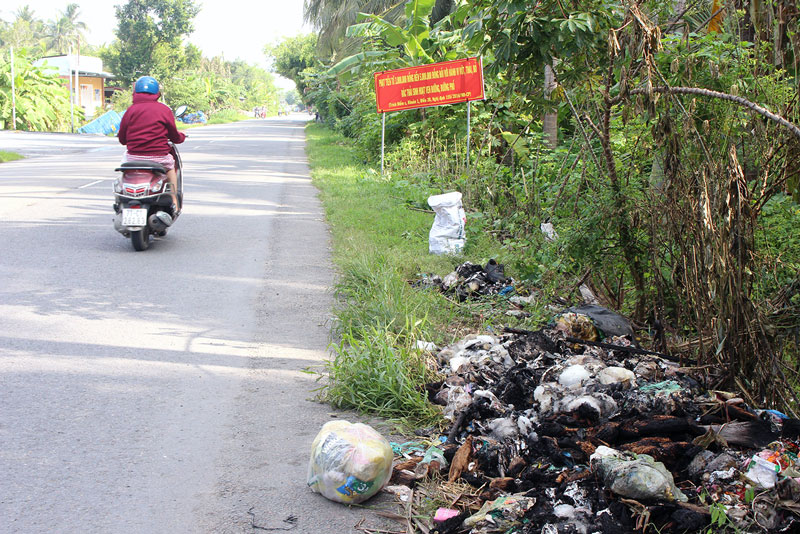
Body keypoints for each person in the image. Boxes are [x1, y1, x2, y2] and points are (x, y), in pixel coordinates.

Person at [118, 76, 185, 213]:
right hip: (158, 158)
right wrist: (181, 137)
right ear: (157, 94)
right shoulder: (164, 110)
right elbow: (174, 135)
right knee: (171, 168)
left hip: (133, 159)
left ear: (135, 93)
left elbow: (122, 139)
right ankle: (174, 202)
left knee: (123, 173)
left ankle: (120, 201)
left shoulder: (130, 111)